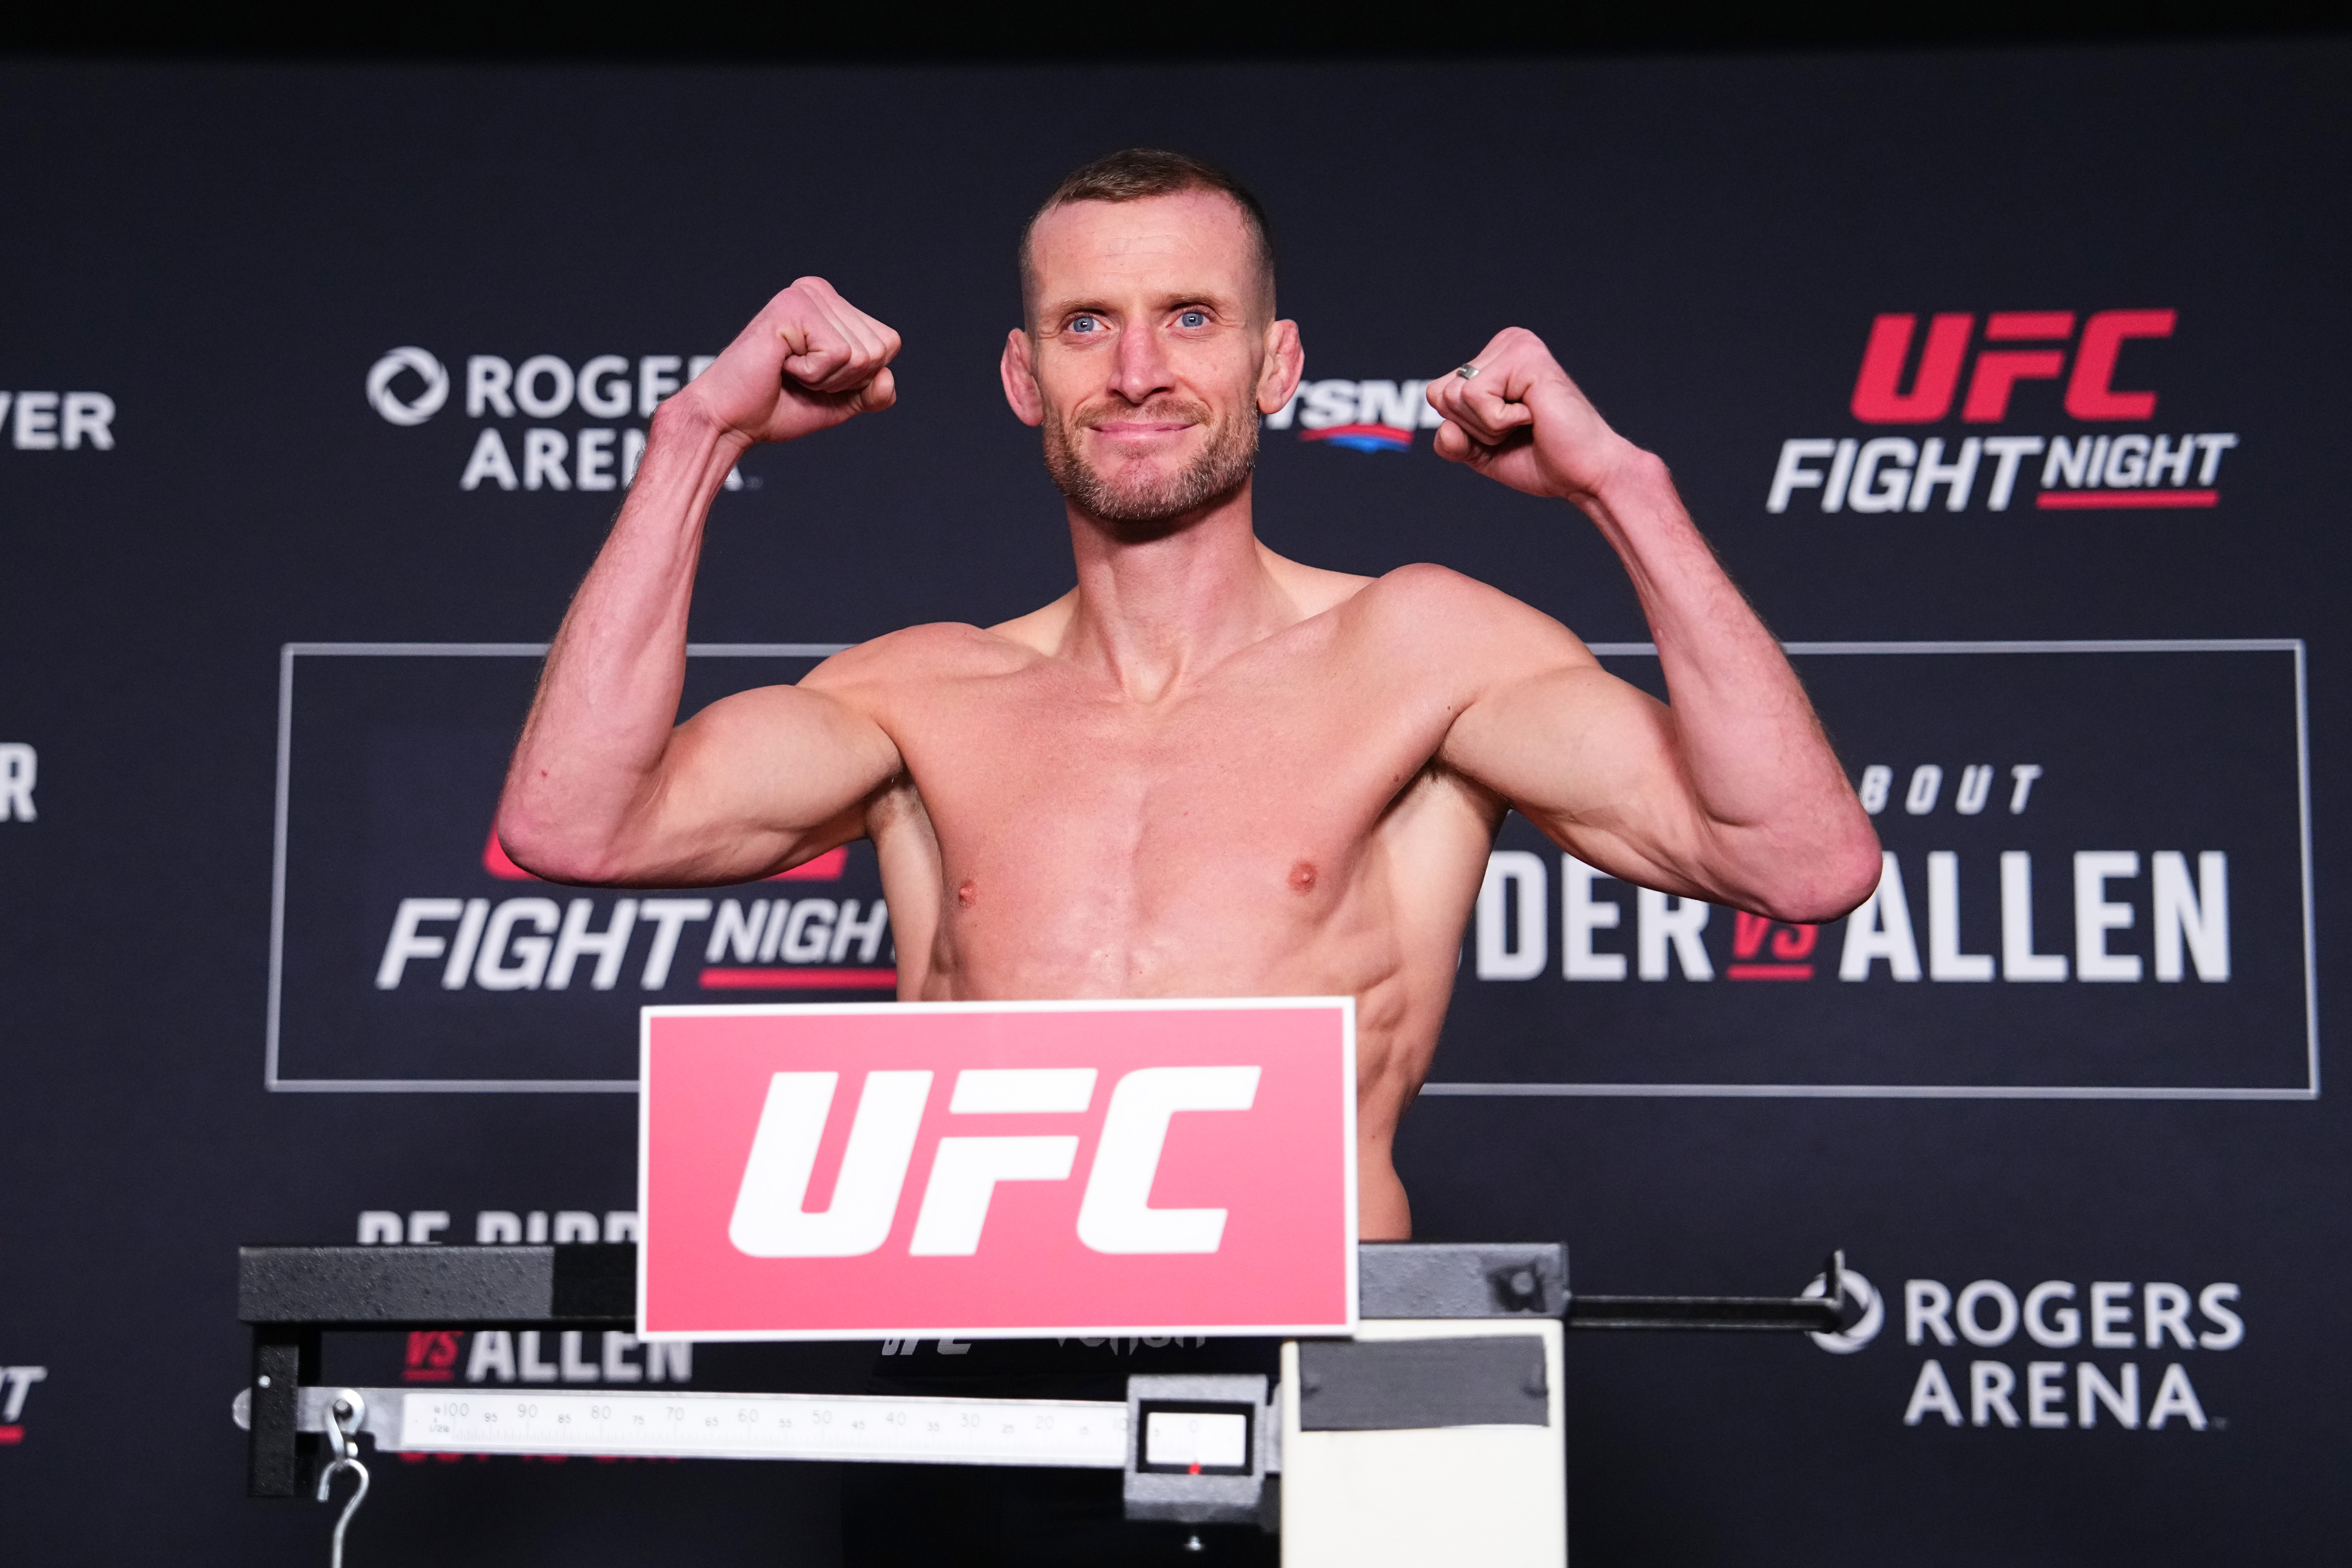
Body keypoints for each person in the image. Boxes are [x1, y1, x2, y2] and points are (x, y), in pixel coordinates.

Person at [497, 144, 1882, 1565]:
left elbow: (1799, 857)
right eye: (1085, 324)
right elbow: (572, 820)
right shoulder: (917, 695)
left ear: (1277, 366)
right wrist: (692, 442)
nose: (1139, 369)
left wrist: (1623, 491)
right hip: (980, 1370)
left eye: (1191, 317)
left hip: (1345, 1363)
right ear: (1024, 378)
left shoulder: (1419, 654)